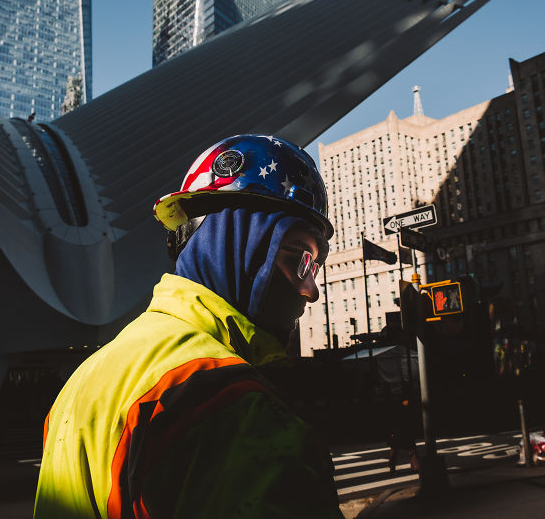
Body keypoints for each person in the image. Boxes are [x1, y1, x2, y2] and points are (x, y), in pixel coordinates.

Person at [34, 135, 344, 518]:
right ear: (236, 239)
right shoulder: (231, 404)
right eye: (300, 257)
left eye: (315, 267)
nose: (310, 289)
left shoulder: (84, 380)